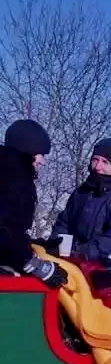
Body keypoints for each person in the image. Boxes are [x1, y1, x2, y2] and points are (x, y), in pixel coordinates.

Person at [49, 137, 111, 261]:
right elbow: (64, 222)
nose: (98, 167)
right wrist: (56, 243)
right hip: (74, 259)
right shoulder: (82, 190)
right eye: (95, 160)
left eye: (105, 162)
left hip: (106, 266)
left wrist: (85, 252)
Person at [0, 119, 67, 288]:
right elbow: (5, 232)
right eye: (40, 154)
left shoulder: (9, 172)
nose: (42, 162)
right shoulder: (14, 179)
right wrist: (37, 266)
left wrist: (32, 244)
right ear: (27, 150)